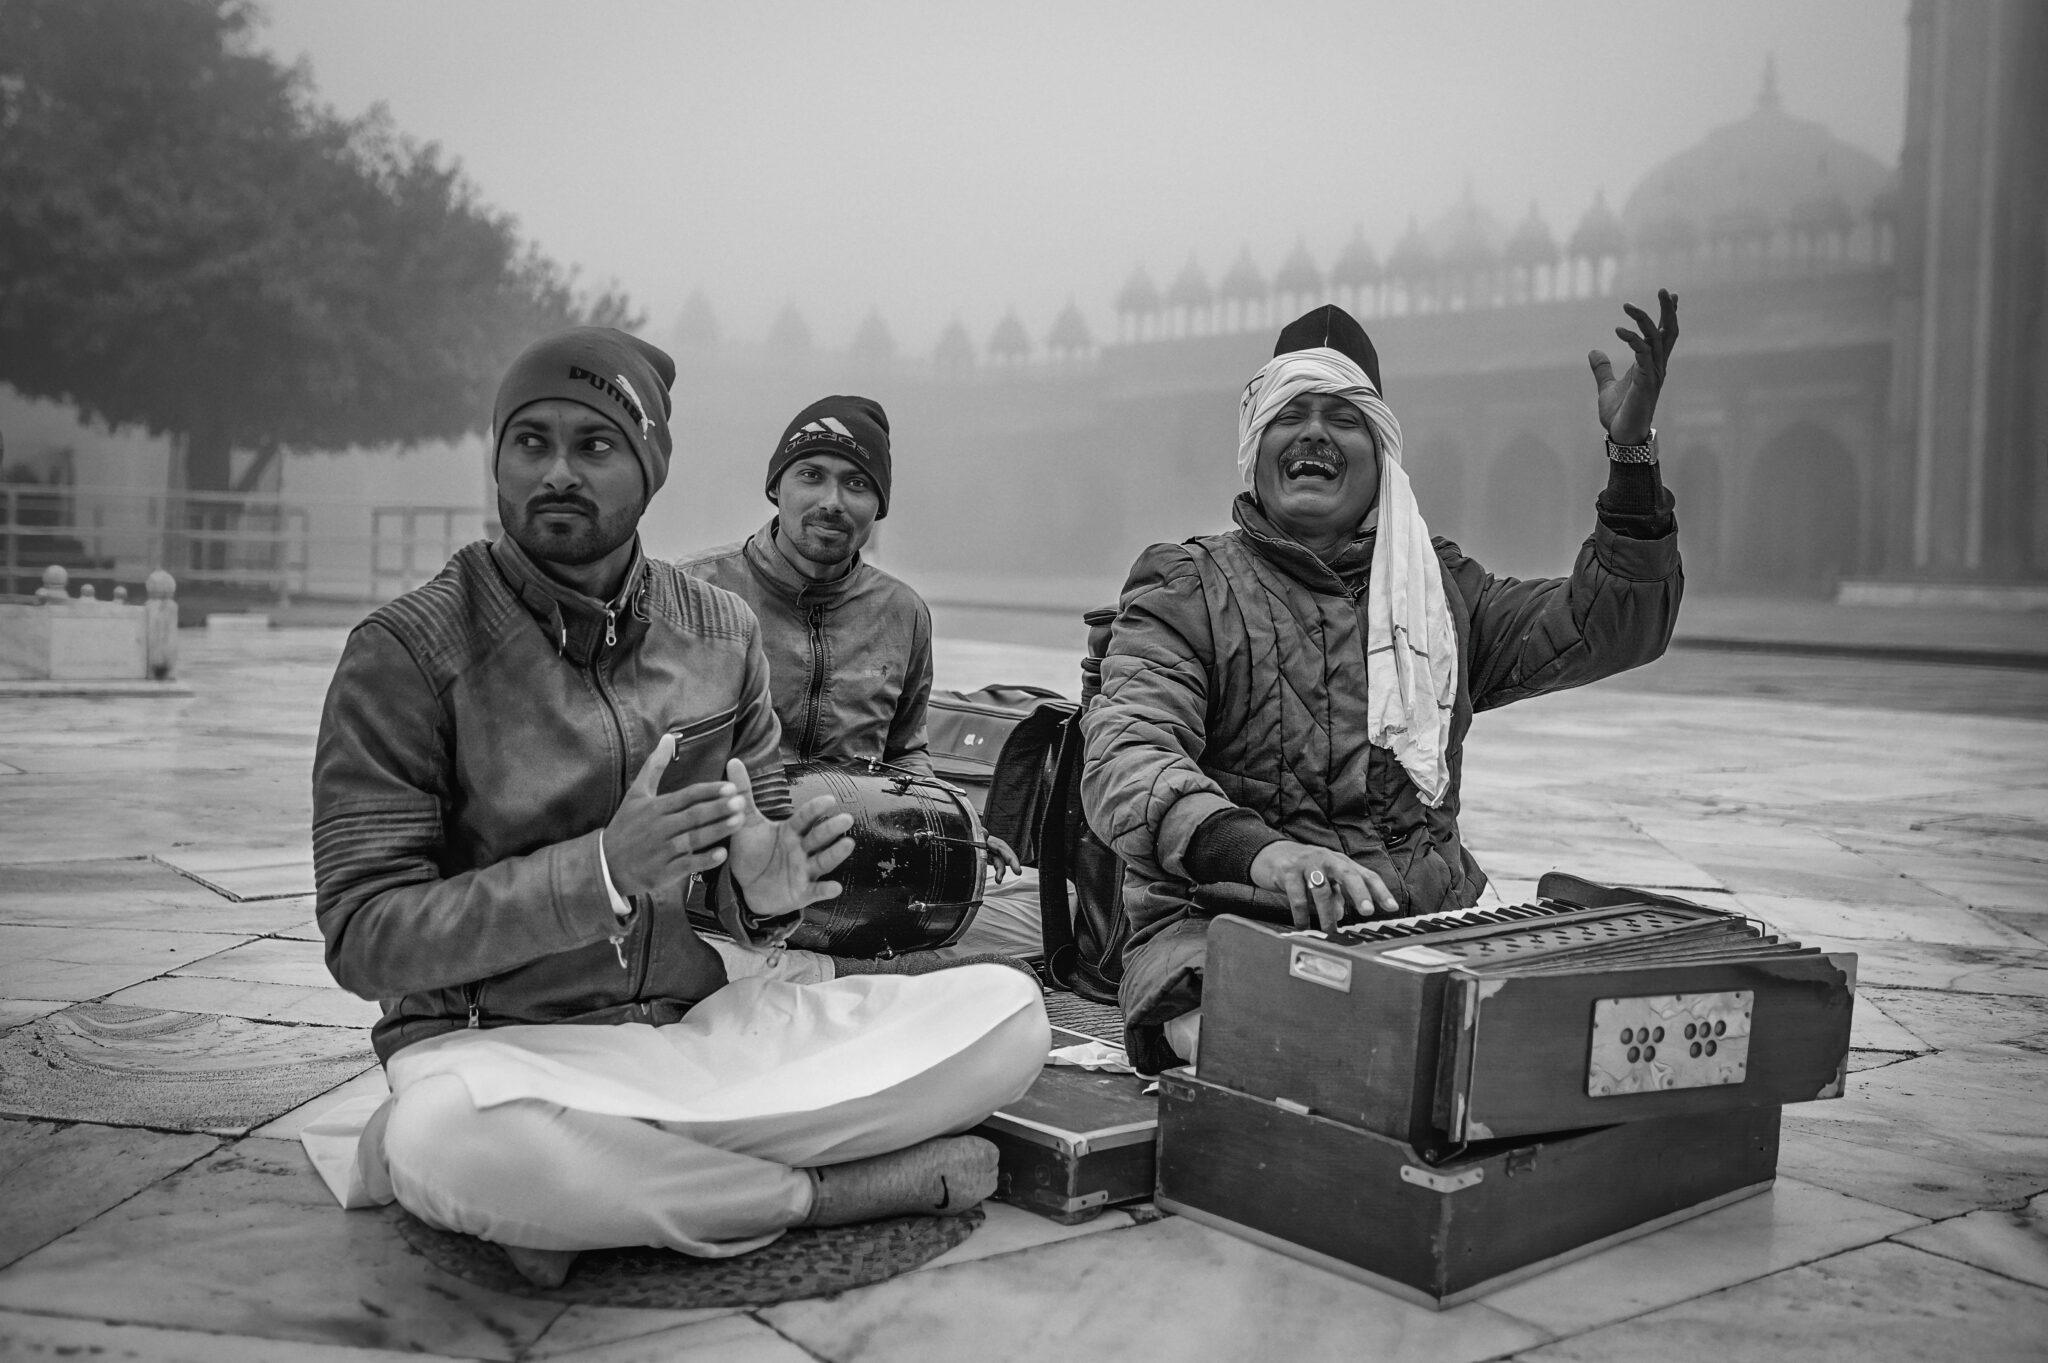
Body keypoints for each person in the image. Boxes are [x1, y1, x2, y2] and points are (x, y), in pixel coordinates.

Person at [307, 328, 1046, 1286]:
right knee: (445, 1143)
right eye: (531, 442)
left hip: (694, 1032)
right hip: (505, 1053)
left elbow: (755, 862)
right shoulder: (406, 652)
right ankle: (816, 1193)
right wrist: (599, 874)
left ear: (650, 467)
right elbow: (364, 936)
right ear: (498, 458)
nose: (559, 471)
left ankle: (609, 1189)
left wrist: (766, 893)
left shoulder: (717, 633)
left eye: (595, 444)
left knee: (1007, 1014)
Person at [1082, 294, 1683, 1074]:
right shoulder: (1189, 588)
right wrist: (1261, 854)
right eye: (1291, 413)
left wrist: (1631, 459)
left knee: (1600, 1047)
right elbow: (1127, 757)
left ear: (1381, 454)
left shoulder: (1436, 595)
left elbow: (1611, 627)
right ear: (1256, 445)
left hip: (1423, 932)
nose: (1314, 433)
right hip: (1228, 938)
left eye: (1344, 417)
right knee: (1339, 1064)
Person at [679, 397, 1028, 962]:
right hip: (717, 880)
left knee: (1045, 927)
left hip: (859, 882)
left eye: (857, 484)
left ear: (878, 507)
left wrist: (961, 826)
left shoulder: (902, 612)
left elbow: (904, 751)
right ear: (776, 487)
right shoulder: (693, 595)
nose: (832, 502)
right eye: (811, 475)